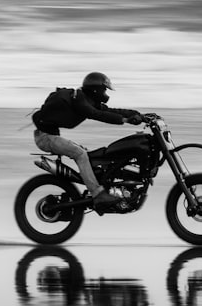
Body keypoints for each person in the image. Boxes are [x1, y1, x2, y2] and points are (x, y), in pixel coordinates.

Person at [32, 72, 142, 209]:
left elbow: (111, 111)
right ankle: (98, 194)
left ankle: (103, 185)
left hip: (50, 136)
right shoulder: (80, 100)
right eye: (104, 89)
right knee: (80, 154)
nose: (105, 92)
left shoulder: (87, 100)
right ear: (96, 89)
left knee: (89, 155)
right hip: (46, 138)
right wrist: (124, 120)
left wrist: (138, 115)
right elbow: (96, 114)